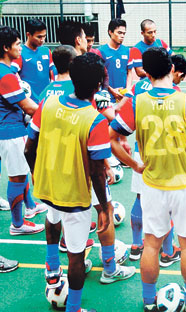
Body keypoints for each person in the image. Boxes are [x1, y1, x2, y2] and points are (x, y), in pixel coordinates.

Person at [109, 47, 186, 312]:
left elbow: (113, 138)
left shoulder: (137, 101)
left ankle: (147, 301)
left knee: (151, 245)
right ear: (171, 69)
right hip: (184, 185)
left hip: (152, 184)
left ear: (146, 72)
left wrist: (134, 164)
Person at [25, 53, 111, 312]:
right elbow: (97, 172)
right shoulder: (95, 120)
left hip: (48, 185)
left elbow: (29, 150)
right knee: (75, 254)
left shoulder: (47, 104)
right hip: (75, 195)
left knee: (52, 220)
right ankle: (73, 308)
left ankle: (52, 270)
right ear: (99, 85)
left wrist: (38, 176)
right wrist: (104, 207)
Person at [127, 54, 186, 264]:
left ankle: (136, 245)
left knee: (139, 197)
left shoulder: (137, 90)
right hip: (168, 154)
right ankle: (168, 251)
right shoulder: (176, 93)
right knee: (167, 203)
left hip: (141, 151)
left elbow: (120, 123)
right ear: (171, 69)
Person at [0, 25, 45, 235]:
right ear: (5, 47)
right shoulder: (6, 75)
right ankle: (17, 224)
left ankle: (29, 208)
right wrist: (51, 109)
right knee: (17, 177)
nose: (20, 48)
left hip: (11, 129)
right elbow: (28, 106)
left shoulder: (8, 71)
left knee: (20, 174)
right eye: (17, 44)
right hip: (11, 131)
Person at [11, 18, 54, 103]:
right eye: (39, 37)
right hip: (30, 102)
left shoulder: (46, 51)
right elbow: (12, 73)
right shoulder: (20, 52)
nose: (42, 39)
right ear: (28, 34)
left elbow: (53, 73)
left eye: (44, 36)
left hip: (46, 101)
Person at [98, 18, 134, 103]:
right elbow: (100, 76)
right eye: (119, 33)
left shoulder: (127, 50)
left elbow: (129, 72)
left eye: (124, 33)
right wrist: (111, 90)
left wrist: (128, 89)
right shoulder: (101, 51)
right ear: (110, 32)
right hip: (107, 96)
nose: (122, 36)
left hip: (123, 96)